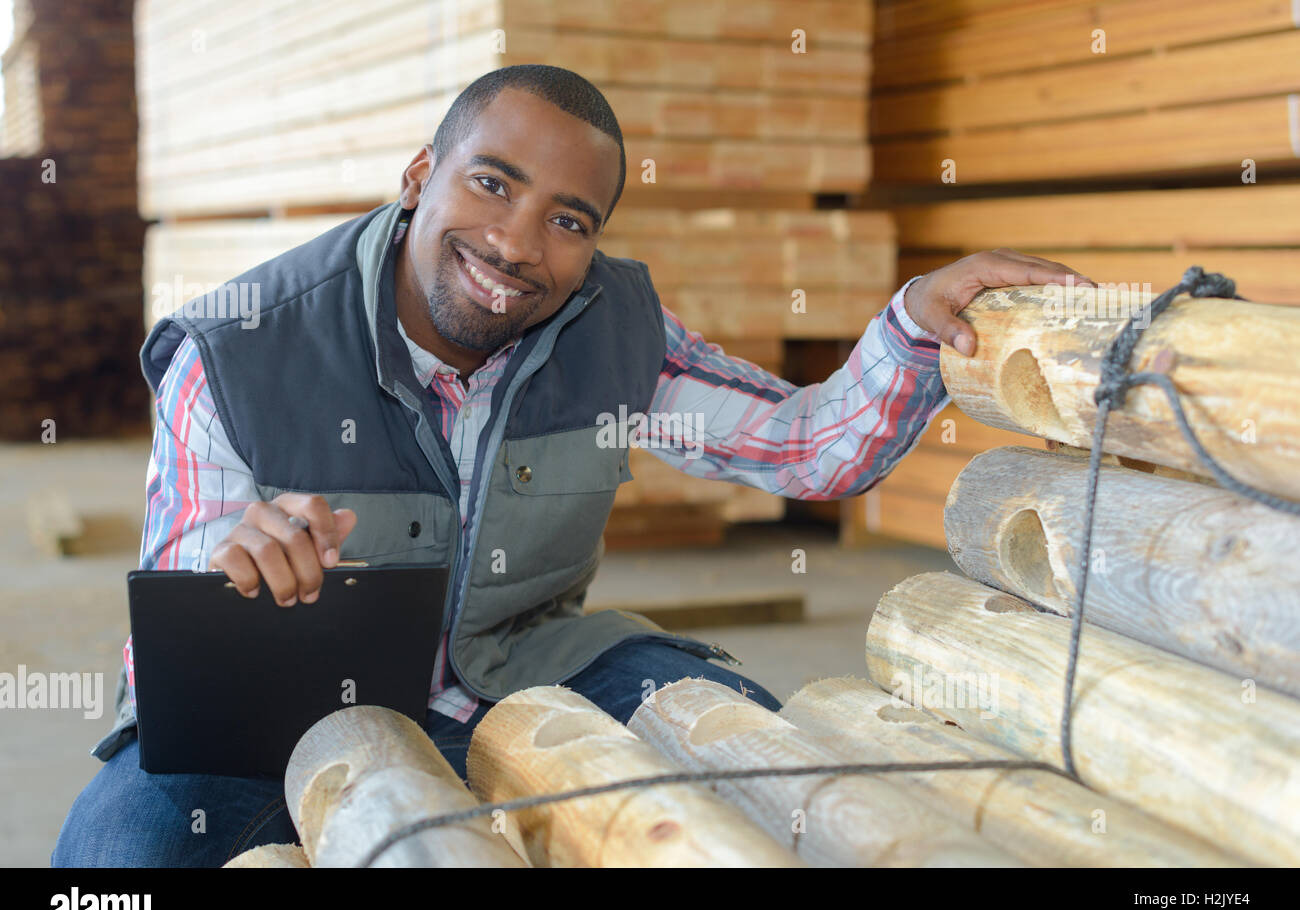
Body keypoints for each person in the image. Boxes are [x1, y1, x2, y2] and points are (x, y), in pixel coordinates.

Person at [52, 64, 1090, 867]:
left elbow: (808, 448)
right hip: (287, 698)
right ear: (420, 176)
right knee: (120, 857)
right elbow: (182, 640)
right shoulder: (235, 349)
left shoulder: (612, 329)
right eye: (491, 184)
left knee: (763, 772)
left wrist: (912, 320)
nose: (514, 243)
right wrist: (235, 570)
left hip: (534, 661)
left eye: (567, 220)